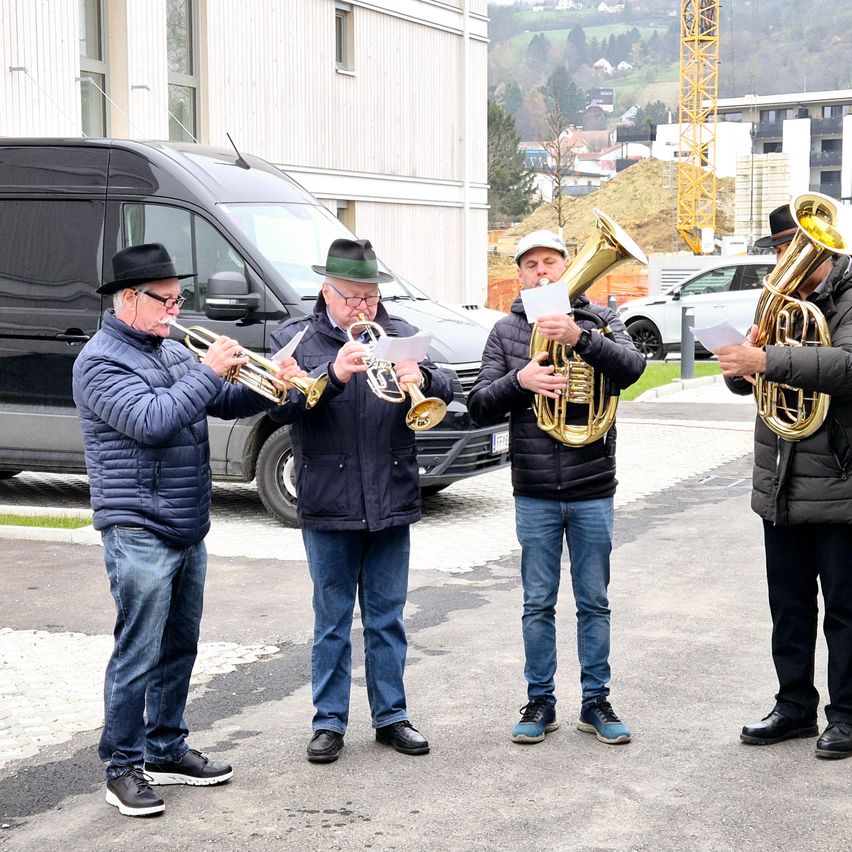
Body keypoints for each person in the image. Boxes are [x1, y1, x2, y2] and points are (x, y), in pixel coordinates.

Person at [73, 243, 303, 816]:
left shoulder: (169, 347)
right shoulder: (99, 361)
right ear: (130, 299)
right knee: (138, 651)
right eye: (167, 299)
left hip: (185, 520)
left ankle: (165, 748)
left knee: (179, 646)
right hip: (136, 524)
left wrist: (276, 382)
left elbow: (223, 400)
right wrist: (206, 370)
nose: (178, 309)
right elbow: (152, 422)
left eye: (180, 297)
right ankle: (122, 766)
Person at [269, 237, 454, 764]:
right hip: (329, 498)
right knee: (331, 621)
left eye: (370, 297)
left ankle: (391, 716)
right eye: (352, 297)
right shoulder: (297, 340)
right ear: (326, 290)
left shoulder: (397, 334)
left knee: (387, 617)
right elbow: (281, 410)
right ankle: (328, 722)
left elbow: (445, 382)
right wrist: (332, 375)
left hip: (391, 493)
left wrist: (425, 377)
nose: (363, 308)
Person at [467, 229, 645, 746]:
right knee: (537, 602)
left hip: (593, 486)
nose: (541, 272)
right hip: (535, 490)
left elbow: (633, 370)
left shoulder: (603, 320)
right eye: (531, 266)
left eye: (550, 263)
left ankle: (596, 701)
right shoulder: (505, 330)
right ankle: (540, 700)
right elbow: (479, 403)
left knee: (594, 600)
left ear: (566, 267)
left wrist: (581, 339)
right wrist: (520, 382)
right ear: (519, 275)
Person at [718, 204, 852, 759]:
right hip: (780, 478)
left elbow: (847, 367)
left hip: (840, 481)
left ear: (819, 243)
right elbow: (757, 383)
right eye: (776, 250)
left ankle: (845, 716)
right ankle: (794, 706)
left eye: (787, 247)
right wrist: (740, 366)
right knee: (789, 606)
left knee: (845, 609)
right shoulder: (776, 302)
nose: (781, 260)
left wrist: (768, 357)